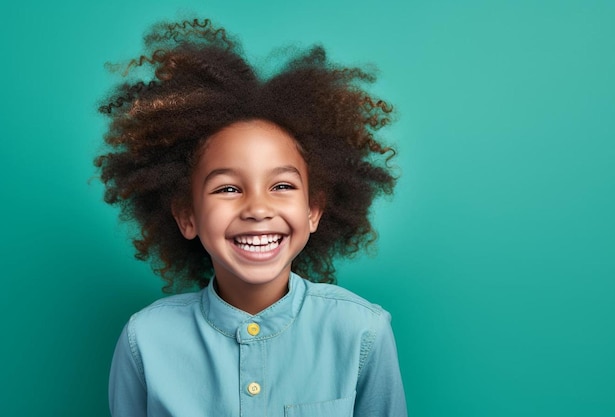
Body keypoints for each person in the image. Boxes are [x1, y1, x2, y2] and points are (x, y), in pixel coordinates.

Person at [97, 17, 407, 417]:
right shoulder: (145, 339)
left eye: (281, 186)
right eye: (228, 188)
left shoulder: (363, 332)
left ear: (314, 210)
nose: (258, 209)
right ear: (187, 216)